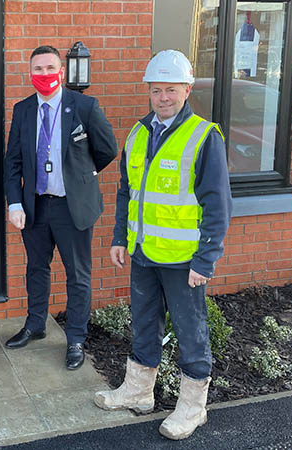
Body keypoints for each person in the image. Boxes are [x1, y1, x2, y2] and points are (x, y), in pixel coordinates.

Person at [93, 50, 232, 440]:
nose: (164, 97)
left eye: (172, 89)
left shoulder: (204, 137)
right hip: (144, 254)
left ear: (187, 90)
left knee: (191, 332)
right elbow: (126, 192)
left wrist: (205, 260)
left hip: (185, 260)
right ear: (149, 92)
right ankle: (139, 392)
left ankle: (192, 407)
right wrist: (120, 238)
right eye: (157, 90)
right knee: (143, 323)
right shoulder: (138, 134)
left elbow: (218, 205)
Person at [3, 45, 118, 370]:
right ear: (30, 73)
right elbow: (12, 161)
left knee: (78, 275)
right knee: (36, 269)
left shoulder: (84, 106)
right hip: (35, 206)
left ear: (62, 72)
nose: (44, 74)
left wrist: (83, 175)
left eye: (50, 68)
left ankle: (76, 340)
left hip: (73, 207)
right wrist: (14, 202)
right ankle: (36, 324)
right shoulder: (23, 109)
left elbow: (107, 149)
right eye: (37, 69)